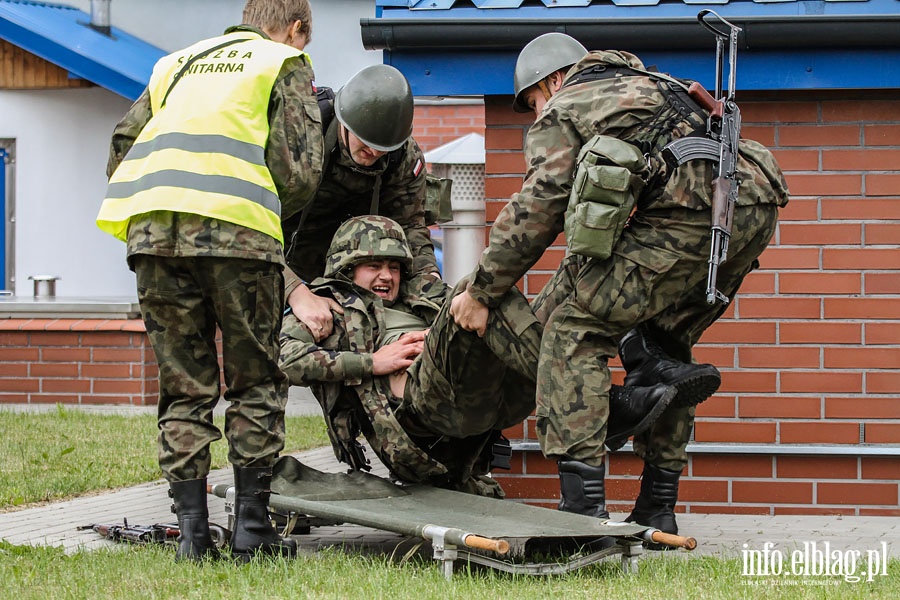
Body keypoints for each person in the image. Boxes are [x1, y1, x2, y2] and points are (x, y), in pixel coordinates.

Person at [450, 33, 789, 540]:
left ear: (552, 80)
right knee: (662, 346)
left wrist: (480, 291)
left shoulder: (570, 102)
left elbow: (536, 207)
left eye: (535, 101)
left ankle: (582, 516)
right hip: (748, 209)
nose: (539, 111)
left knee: (573, 331)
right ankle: (657, 506)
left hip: (689, 215)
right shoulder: (649, 83)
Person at [96, 0, 323, 562]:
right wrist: (266, 208)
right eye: (305, 39)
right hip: (239, 235)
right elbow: (301, 167)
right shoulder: (281, 62)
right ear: (297, 29)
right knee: (256, 378)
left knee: (183, 384)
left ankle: (193, 538)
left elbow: (122, 147)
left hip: (153, 236)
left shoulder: (175, 62)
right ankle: (252, 531)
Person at [279, 215, 674, 497]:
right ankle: (598, 404)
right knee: (478, 287)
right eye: (371, 266)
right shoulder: (327, 306)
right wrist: (372, 363)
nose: (386, 276)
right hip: (424, 411)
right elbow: (284, 359)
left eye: (393, 267)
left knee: (573, 270)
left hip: (489, 396)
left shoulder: (419, 295)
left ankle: (595, 391)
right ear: (346, 269)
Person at [281, 64, 441, 344]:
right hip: (285, 257)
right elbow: (254, 230)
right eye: (366, 142)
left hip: (355, 270)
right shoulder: (302, 137)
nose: (374, 152)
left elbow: (411, 227)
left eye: (384, 148)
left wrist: (430, 287)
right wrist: (295, 291)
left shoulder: (402, 157)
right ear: (344, 122)